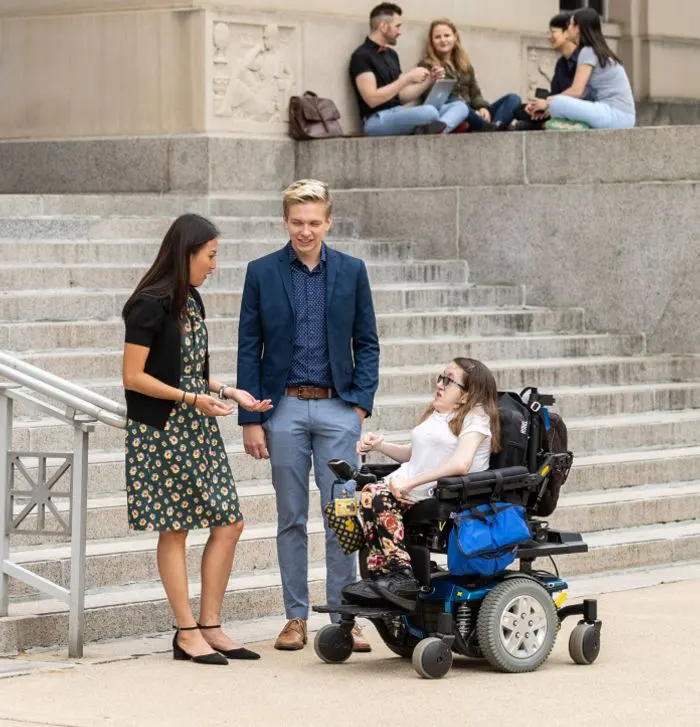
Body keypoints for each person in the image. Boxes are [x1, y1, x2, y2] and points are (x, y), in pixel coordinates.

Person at [122, 214, 272, 666]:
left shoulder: (194, 302)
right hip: (163, 431)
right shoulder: (147, 304)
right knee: (176, 526)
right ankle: (186, 631)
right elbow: (133, 377)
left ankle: (211, 625)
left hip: (196, 425)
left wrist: (226, 391)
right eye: (210, 255)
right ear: (186, 253)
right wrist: (191, 397)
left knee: (230, 521)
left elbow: (193, 372)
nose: (214, 264)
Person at [237, 179, 380, 651]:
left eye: (314, 222)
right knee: (291, 517)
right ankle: (295, 618)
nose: (305, 231)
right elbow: (248, 347)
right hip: (284, 409)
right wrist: (251, 419)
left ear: (329, 221)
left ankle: (345, 618)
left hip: (338, 407)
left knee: (342, 515)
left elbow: (367, 342)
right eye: (297, 222)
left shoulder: (352, 270)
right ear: (285, 222)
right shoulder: (261, 272)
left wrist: (359, 404)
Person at [343, 358, 501, 609]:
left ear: (466, 395)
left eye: (448, 380)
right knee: (367, 494)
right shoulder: (439, 413)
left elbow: (461, 464)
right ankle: (381, 575)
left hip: (447, 494)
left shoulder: (476, 417)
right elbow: (413, 454)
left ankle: (402, 574)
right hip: (413, 486)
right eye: (441, 377)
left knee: (376, 495)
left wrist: (410, 482)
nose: (439, 384)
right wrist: (380, 445)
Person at [349, 3, 469, 135]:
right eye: (397, 26)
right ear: (383, 26)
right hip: (376, 120)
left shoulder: (392, 55)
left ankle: (436, 132)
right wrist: (407, 78)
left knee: (460, 106)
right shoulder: (361, 56)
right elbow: (371, 99)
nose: (399, 32)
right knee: (429, 112)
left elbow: (402, 97)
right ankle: (431, 130)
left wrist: (429, 80)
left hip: (399, 114)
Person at [527, 7, 636, 129]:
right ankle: (570, 124)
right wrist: (549, 106)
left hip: (614, 115)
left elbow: (576, 91)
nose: (568, 28)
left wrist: (548, 102)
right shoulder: (596, 50)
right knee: (558, 103)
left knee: (558, 102)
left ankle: (566, 124)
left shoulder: (587, 51)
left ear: (578, 28)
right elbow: (583, 93)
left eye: (571, 24)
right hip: (621, 117)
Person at [420, 17, 521, 132]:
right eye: (437, 37)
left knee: (513, 99)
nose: (443, 40)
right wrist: (471, 111)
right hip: (460, 115)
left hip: (475, 114)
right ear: (431, 41)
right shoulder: (427, 66)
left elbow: (475, 92)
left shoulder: (464, 63)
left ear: (455, 37)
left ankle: (493, 127)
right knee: (459, 105)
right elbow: (434, 99)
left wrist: (482, 107)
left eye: (447, 35)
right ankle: (493, 128)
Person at [514, 12, 588, 130]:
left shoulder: (583, 59)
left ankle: (545, 124)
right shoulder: (561, 63)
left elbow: (580, 93)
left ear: (567, 33)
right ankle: (545, 122)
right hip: (557, 106)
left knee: (523, 125)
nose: (549, 37)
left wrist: (550, 105)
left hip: (576, 108)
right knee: (519, 110)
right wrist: (539, 106)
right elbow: (555, 93)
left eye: (553, 32)